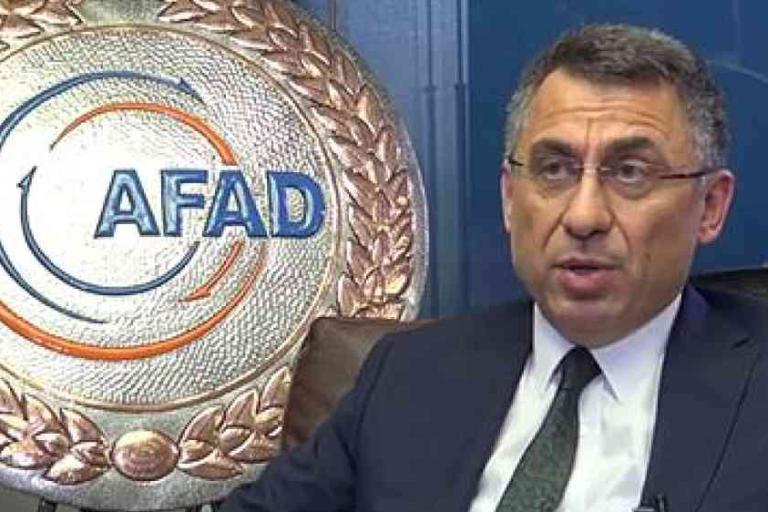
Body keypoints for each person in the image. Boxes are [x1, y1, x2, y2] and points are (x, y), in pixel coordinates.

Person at [222, 23, 768, 512]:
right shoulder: (408, 375)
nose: (583, 216)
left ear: (711, 207)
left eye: (629, 172)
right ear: (510, 199)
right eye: (554, 169)